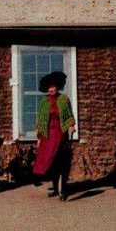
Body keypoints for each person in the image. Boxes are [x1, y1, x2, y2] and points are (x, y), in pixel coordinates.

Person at [32, 71, 75, 201]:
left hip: (60, 134)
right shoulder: (43, 102)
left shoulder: (64, 100)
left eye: (53, 87)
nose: (51, 89)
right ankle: (55, 188)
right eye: (49, 88)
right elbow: (40, 121)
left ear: (58, 87)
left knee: (62, 162)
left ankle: (63, 189)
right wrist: (39, 138)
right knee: (51, 163)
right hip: (47, 136)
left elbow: (69, 116)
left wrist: (71, 125)